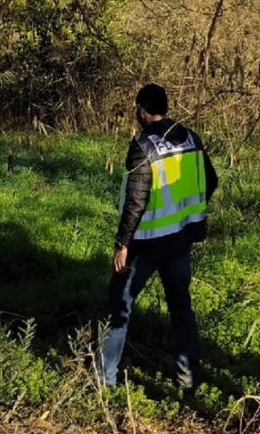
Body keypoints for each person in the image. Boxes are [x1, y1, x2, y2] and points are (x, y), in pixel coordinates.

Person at [98, 83, 218, 393]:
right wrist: (186, 210)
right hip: (181, 238)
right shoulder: (192, 137)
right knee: (181, 307)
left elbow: (135, 201)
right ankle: (188, 379)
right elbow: (211, 179)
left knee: (119, 304)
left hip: (147, 243)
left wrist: (122, 244)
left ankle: (103, 380)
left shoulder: (143, 145)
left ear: (140, 108)